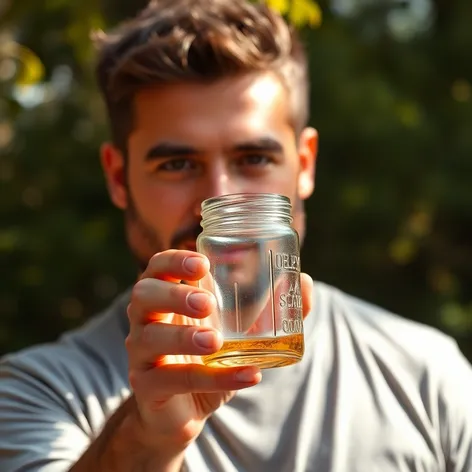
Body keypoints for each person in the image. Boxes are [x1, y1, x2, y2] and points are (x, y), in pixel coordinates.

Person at [1, 0, 471, 470]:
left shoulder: (429, 377)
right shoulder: (37, 392)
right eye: (178, 165)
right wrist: (144, 443)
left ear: (304, 164)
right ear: (118, 178)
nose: (219, 201)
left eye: (254, 159)